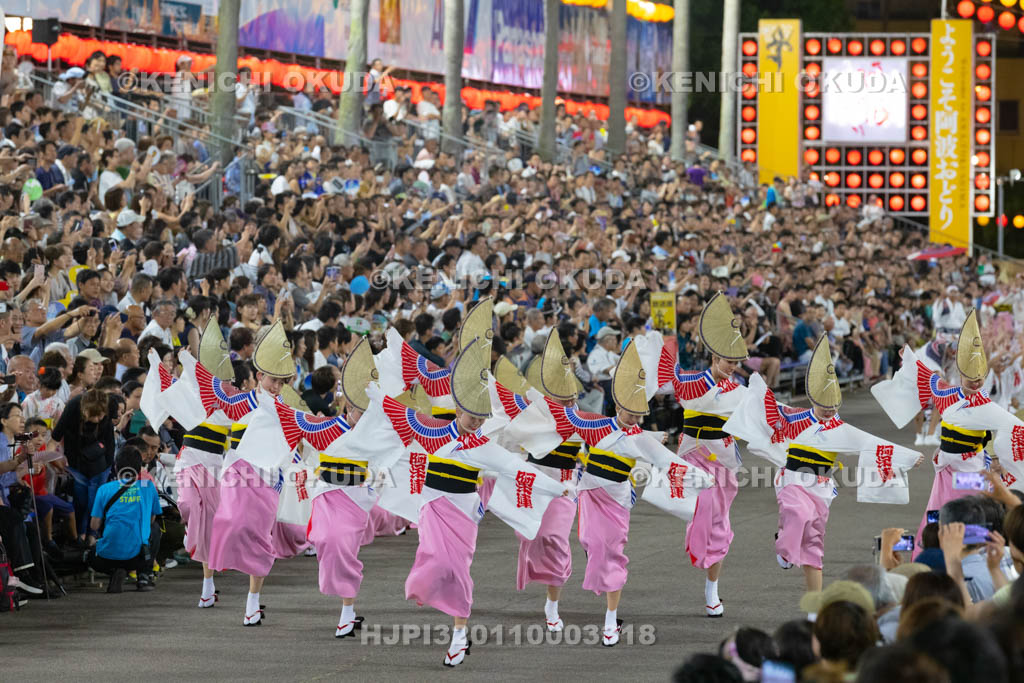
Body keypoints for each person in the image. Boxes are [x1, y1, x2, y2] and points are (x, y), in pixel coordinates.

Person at [726, 336, 922, 592]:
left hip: (821, 487)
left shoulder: (841, 428)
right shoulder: (794, 417)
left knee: (814, 546)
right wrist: (757, 386)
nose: (829, 411)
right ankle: (785, 545)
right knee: (798, 513)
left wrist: (906, 457)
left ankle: (814, 606)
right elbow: (767, 408)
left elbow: (871, 443)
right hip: (793, 479)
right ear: (813, 399)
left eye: (833, 407)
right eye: (823, 406)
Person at [872, 309, 1024, 543]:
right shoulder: (946, 392)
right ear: (960, 373)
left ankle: (971, 551)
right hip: (945, 468)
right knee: (937, 512)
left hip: (970, 470)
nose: (975, 382)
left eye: (979, 378)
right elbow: (926, 376)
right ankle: (930, 548)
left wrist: (1000, 460)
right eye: (970, 377)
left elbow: (1015, 427)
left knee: (969, 513)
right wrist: (909, 358)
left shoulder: (983, 405)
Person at [650, 293, 750, 617]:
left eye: (735, 363)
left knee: (720, 525)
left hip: (722, 461)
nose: (731, 367)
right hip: (692, 456)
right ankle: (696, 526)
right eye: (727, 361)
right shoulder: (693, 382)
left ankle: (712, 591)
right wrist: (665, 338)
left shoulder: (741, 392)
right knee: (703, 503)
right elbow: (671, 382)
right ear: (713, 357)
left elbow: (766, 417)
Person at [88, 445, 162, 593]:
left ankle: (115, 570)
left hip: (105, 557)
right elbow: (152, 519)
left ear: (116, 467)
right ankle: (143, 575)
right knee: (155, 529)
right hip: (139, 557)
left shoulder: (104, 489)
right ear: (139, 467)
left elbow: (94, 526)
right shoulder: (147, 486)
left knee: (89, 555)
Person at [52, 389, 116, 543]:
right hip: (77, 461)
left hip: (101, 460)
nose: (98, 419)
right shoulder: (73, 407)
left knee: (94, 501)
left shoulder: (110, 406)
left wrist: (108, 465)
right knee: (81, 500)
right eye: (94, 415)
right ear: (84, 410)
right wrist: (52, 459)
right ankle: (80, 534)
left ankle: (92, 534)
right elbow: (54, 438)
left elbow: (110, 439)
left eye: (101, 415)